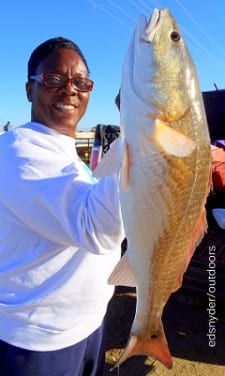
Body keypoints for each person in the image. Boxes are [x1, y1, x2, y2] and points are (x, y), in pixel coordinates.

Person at [0, 37, 124, 376]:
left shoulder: (60, 149)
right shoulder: (18, 153)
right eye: (54, 79)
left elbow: (100, 194)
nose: (70, 90)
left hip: (86, 324)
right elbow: (97, 229)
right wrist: (144, 136)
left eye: (81, 82)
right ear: (29, 89)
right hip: (38, 342)